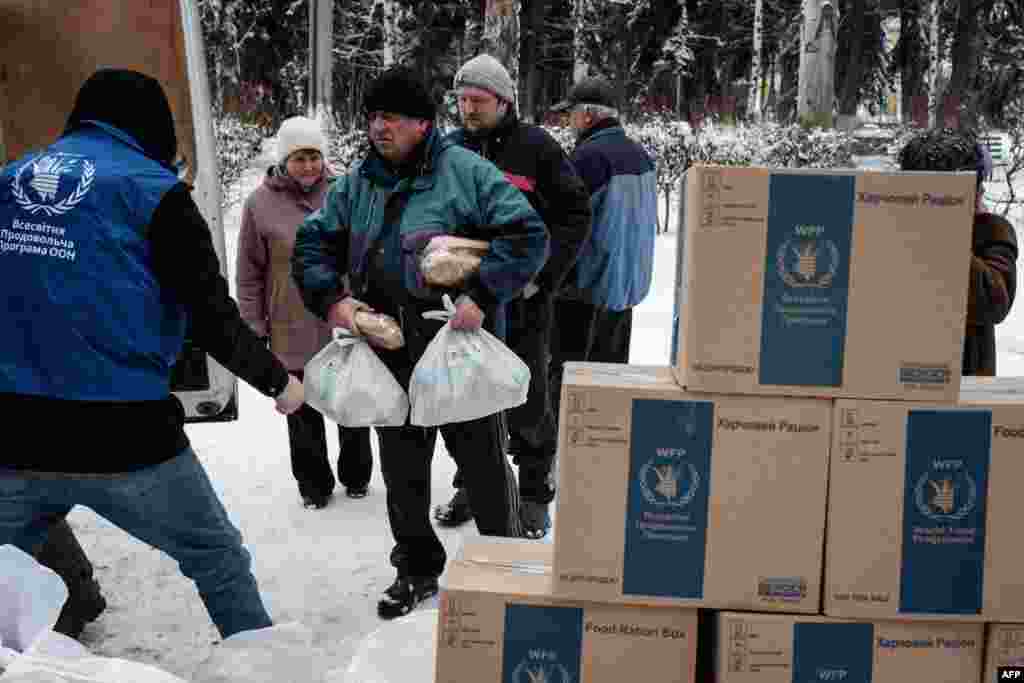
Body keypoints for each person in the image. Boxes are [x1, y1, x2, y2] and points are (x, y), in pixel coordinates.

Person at [0, 69, 304, 639]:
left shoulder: (9, 180)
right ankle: (260, 664)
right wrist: (279, 384)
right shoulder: (155, 193)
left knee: (2, 575)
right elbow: (210, 317)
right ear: (153, 125)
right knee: (214, 556)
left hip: (14, 434)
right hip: (125, 436)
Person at [292, 66, 548, 619]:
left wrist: (482, 295)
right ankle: (416, 569)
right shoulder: (357, 184)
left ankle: (505, 567)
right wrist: (334, 302)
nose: (378, 127)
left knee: (483, 466)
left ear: (423, 124)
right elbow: (312, 245)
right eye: (372, 117)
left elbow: (528, 235)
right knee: (402, 474)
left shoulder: (466, 173)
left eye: (391, 117)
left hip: (458, 350)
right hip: (389, 352)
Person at [432, 53, 592, 539]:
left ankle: (534, 493)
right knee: (468, 398)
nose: (468, 108)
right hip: (465, 301)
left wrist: (543, 276)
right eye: (462, 100)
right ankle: (475, 484)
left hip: (523, 301)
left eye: (478, 100)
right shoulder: (449, 148)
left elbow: (574, 214)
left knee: (527, 397)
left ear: (504, 101)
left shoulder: (536, 148)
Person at [237, 115, 374, 509]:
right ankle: (314, 485)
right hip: (289, 322)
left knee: (351, 400)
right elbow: (249, 271)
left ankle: (357, 475)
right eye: (299, 158)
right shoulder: (259, 204)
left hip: (341, 316)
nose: (309, 166)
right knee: (301, 408)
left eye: (315, 156)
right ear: (284, 160)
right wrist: (253, 323)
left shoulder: (344, 192)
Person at [548, 76, 658, 417]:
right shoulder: (641, 156)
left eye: (571, 114)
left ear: (588, 115)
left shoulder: (588, 159)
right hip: (624, 291)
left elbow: (565, 226)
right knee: (609, 391)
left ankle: (563, 449)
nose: (568, 123)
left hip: (584, 295)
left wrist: (551, 278)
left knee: (570, 396)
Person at [898, 127, 1018, 376]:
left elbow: (994, 302)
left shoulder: (989, 232)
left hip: (967, 380)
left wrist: (944, 231)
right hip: (904, 373)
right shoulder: (895, 228)